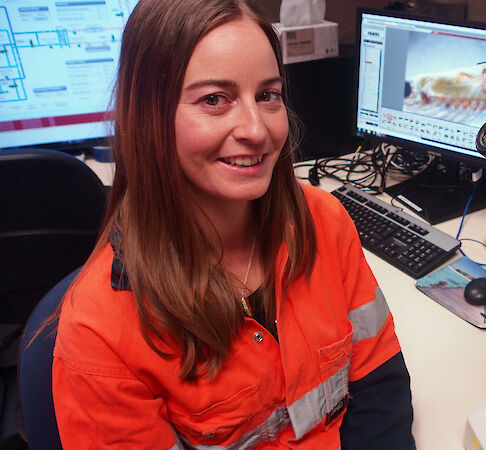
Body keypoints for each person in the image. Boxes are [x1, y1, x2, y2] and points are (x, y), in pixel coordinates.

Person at [50, 0, 415, 448]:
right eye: (214, 99)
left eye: (267, 95)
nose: (256, 129)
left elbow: (379, 383)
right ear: (149, 118)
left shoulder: (324, 220)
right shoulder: (98, 332)